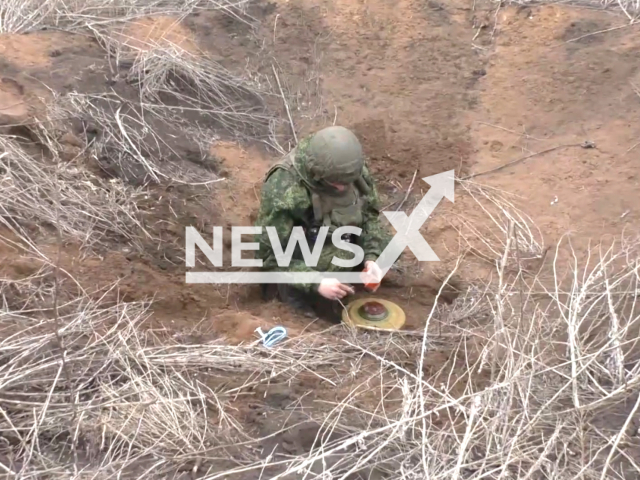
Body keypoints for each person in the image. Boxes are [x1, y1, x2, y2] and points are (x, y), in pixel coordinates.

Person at [253, 126, 392, 320]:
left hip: (337, 236)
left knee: (390, 248)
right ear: (317, 174)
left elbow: (370, 216)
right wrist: (316, 282)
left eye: (348, 182)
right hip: (302, 254)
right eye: (337, 183)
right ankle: (293, 299)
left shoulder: (348, 167)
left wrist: (372, 257)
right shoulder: (285, 187)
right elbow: (268, 255)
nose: (344, 187)